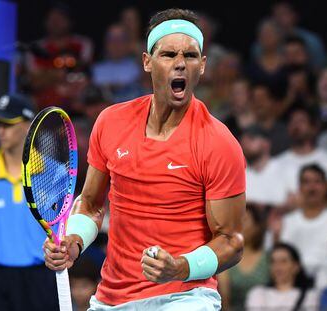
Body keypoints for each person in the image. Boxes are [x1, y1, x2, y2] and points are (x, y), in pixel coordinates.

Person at [44, 8, 246, 311]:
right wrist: (74, 242)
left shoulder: (219, 143)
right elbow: (91, 204)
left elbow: (231, 241)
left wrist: (179, 267)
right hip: (112, 297)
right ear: (147, 62)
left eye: (190, 56)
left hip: (185, 298)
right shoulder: (110, 122)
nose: (180, 64)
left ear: (202, 66)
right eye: (168, 54)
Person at [0, 94, 58, 311]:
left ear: (29, 126)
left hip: (40, 279)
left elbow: (63, 230)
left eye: (8, 123)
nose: (0, 131)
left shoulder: (56, 175)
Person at [280, 164, 327, 289]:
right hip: (293, 288)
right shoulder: (286, 222)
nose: (312, 187)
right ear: (299, 187)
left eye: (317, 181)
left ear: (326, 186)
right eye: (306, 182)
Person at [22, 3, 93, 110]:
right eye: (52, 20)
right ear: (45, 22)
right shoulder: (35, 48)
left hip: (78, 109)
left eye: (60, 19)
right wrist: (60, 74)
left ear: (70, 22)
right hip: (44, 109)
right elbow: (34, 81)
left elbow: (85, 74)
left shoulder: (82, 44)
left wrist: (48, 74)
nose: (56, 23)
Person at [218, 204, 270, 310]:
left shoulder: (269, 258)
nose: (238, 226)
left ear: (257, 226)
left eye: (244, 220)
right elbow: (224, 302)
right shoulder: (226, 258)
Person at [246, 243, 318, 311]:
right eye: (273, 261)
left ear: (296, 267)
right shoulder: (258, 293)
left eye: (283, 261)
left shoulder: (309, 296)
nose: (277, 267)